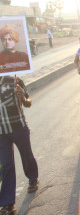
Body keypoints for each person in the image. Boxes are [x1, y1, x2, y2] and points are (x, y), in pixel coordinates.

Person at [0, 76, 38, 215]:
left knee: (26, 155)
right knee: (6, 165)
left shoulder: (15, 81)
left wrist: (23, 96)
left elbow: (28, 102)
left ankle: (33, 178)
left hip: (18, 128)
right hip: (1, 133)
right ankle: (7, 204)